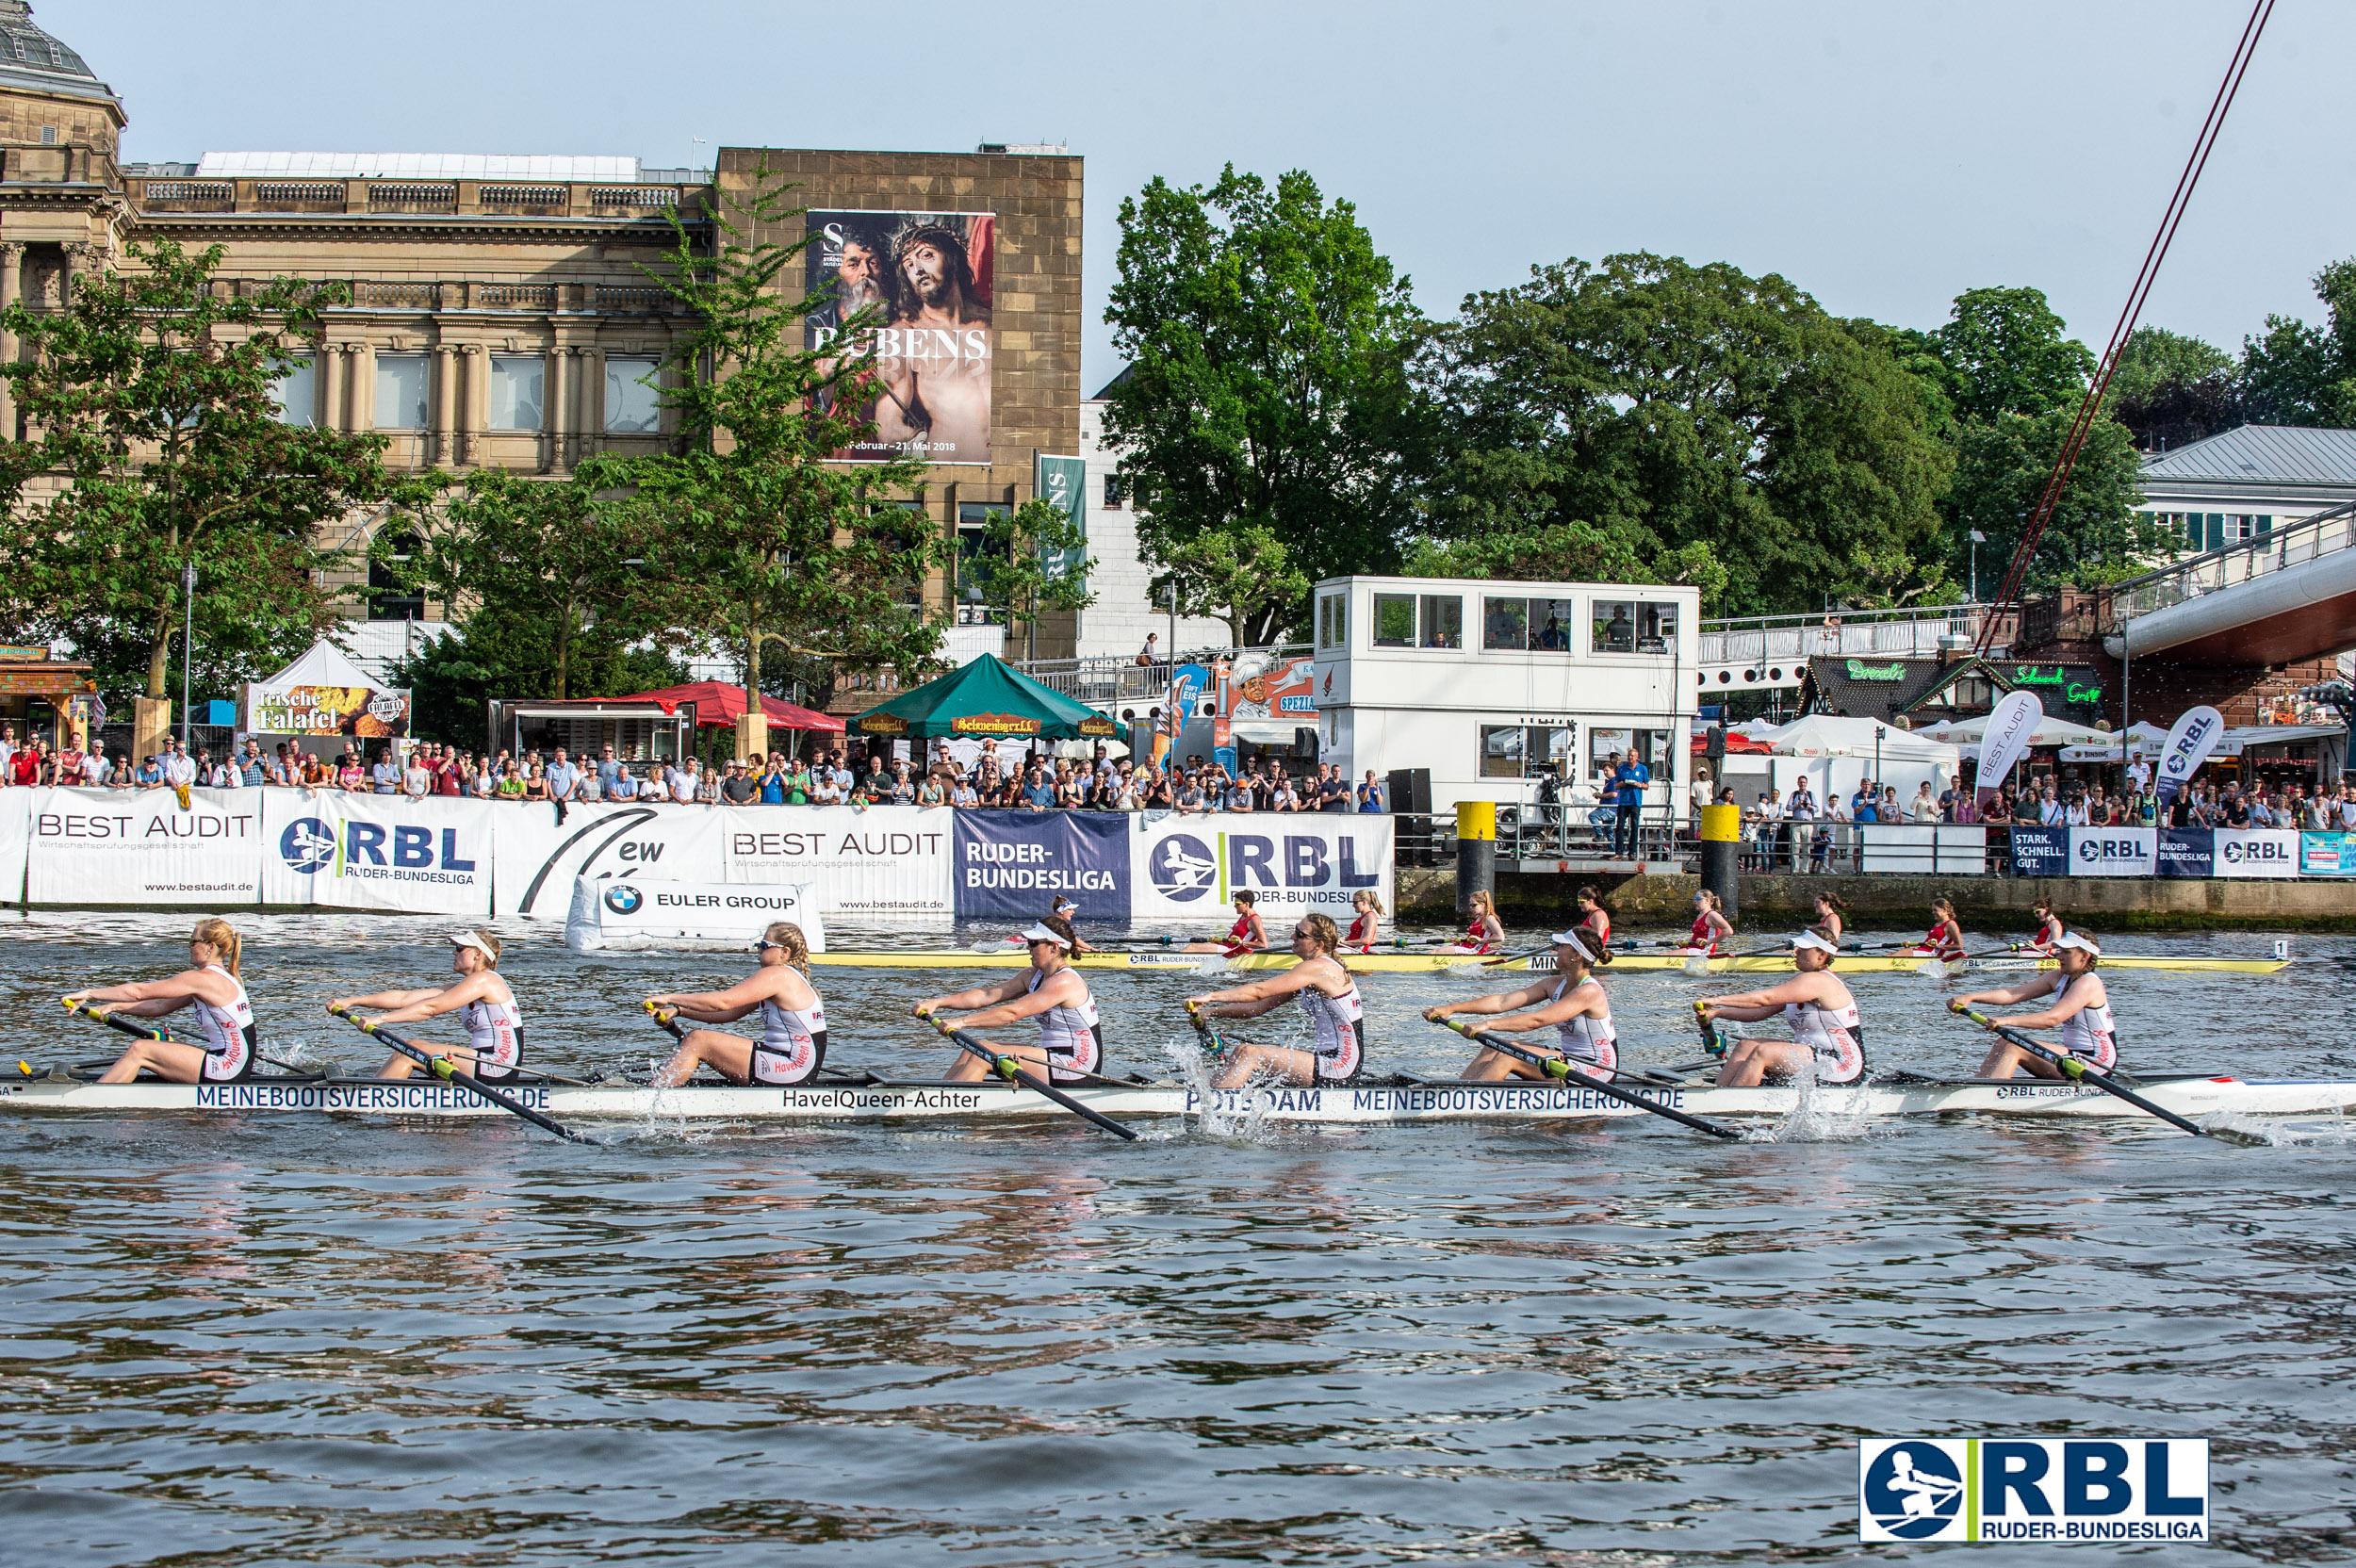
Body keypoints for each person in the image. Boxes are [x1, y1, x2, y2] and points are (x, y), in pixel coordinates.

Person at [69, 917, 260, 1085]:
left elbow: (138, 992)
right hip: (233, 1066)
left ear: (210, 947)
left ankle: (94, 1098)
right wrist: (114, 1006)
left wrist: (89, 993)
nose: (189, 946)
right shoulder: (221, 977)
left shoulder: (202, 978)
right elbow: (160, 1005)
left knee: (140, 1049)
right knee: (149, 1049)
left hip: (227, 1067)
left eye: (193, 941)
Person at [1187, 912, 1367, 1087]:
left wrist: (1211, 997)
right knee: (1242, 1055)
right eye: (1295, 930)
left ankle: (1210, 1106)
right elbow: (1258, 1007)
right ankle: (1210, 1097)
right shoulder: (1313, 971)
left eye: (1300, 934)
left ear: (1318, 944)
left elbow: (1259, 991)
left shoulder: (1319, 968)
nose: (1292, 936)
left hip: (1340, 1066)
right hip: (1327, 1060)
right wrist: (1210, 1013)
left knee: (1249, 1054)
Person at [916, 917, 1104, 1085]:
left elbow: (1012, 1013)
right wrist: (937, 1003)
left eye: (1033, 943)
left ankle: (946, 1106)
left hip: (1077, 1066)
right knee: (975, 1049)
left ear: (1054, 947)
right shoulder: (1032, 976)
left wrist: (961, 1022)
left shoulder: (1065, 981)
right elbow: (987, 995)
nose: (1028, 948)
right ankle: (940, 1094)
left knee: (982, 1057)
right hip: (1054, 1057)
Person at [646, 922, 829, 1086]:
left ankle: (653, 1096)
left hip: (791, 1068)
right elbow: (727, 1013)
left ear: (784, 952)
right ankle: (661, 1089)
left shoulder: (778, 975)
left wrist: (669, 998)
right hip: (792, 1067)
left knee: (698, 1040)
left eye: (764, 946)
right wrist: (678, 1011)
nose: (759, 950)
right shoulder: (786, 978)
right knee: (698, 1039)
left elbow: (723, 1002)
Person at [332, 930, 525, 1084]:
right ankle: (374, 1087)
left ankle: (367, 1102)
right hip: (483, 1062)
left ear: (478, 954)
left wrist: (380, 1020)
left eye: (460, 947)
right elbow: (404, 998)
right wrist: (351, 1001)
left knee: (409, 1051)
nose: (454, 952)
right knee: (412, 1044)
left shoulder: (485, 980)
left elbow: (430, 1008)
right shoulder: (468, 985)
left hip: (498, 1065)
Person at [1426, 927, 1614, 1082]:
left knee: (1509, 1054)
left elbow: (1536, 1020)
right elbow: (1502, 1001)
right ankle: (1460, 1091)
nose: (1555, 950)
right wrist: (1451, 1008)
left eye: (1561, 946)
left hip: (1596, 1068)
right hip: (1569, 1058)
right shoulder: (1553, 984)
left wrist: (1487, 1025)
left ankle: (1467, 1102)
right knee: (1495, 1047)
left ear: (1576, 956)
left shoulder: (1589, 992)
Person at [1698, 930, 1866, 1087]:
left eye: (1804, 949)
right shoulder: (1802, 982)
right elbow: (1759, 1011)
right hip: (1815, 1056)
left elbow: (1764, 999)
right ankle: (1718, 1093)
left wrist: (1718, 999)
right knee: (1746, 1046)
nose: (1796, 952)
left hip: (1842, 1065)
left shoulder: (1819, 981)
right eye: (1798, 948)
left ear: (1822, 955)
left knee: (1764, 1052)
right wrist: (1717, 1013)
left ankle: (1732, 1103)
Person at [1951, 931, 2117, 1078]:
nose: (2059, 956)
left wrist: (2006, 1021)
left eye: (2067, 952)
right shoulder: (2058, 977)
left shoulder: (2088, 983)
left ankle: (1985, 1096)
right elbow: (2013, 994)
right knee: (2003, 1042)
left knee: (2013, 1046)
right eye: (2059, 951)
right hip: (2073, 1057)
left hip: (2096, 1063)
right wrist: (1970, 997)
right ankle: (1980, 1083)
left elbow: (2051, 1019)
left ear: (2084, 956)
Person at [1185, 890, 1268, 956]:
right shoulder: (1243, 916)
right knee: (1191, 947)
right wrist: (1218, 941)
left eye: (1237, 904)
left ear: (1246, 904)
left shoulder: (1254, 919)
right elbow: (1234, 939)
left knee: (1191, 948)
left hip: (1235, 951)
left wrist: (1242, 943)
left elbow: (1264, 944)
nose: (1235, 906)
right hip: (1228, 947)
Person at [1611, 747, 1650, 858]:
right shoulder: (1622, 769)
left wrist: (1639, 785)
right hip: (1623, 801)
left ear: (1637, 757)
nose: (1630, 758)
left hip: (1635, 801)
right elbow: (1616, 785)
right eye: (1629, 755)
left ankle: (1632, 852)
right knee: (1620, 826)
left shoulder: (1642, 769)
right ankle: (1619, 852)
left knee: (1634, 826)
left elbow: (1647, 786)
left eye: (1632, 756)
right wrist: (1623, 784)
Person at [1909, 897, 1967, 962]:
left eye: (1935, 910)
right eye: (1932, 910)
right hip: (1923, 951)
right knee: (1903, 951)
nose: (1933, 912)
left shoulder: (1951, 924)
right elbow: (1927, 943)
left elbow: (1959, 946)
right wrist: (1908, 945)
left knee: (1903, 953)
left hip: (1932, 954)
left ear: (1944, 910)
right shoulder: (1937, 924)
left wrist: (1939, 946)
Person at [1450, 888, 1505, 955]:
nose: (1471, 907)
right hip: (1468, 947)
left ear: (1482, 905)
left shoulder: (1489, 918)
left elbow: (1501, 937)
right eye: (1470, 905)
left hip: (1475, 950)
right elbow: (1474, 938)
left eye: (1474, 905)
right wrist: (1460, 941)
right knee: (1437, 950)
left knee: (1436, 952)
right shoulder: (1477, 917)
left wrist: (1481, 940)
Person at [1684, 889, 1733, 956]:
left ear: (1707, 901)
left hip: (1703, 951)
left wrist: (1709, 941)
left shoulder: (1712, 915)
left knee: (1665, 956)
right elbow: (1696, 937)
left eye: (1698, 899)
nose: (1695, 902)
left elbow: (1728, 931)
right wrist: (1684, 943)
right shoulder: (1699, 916)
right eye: (1695, 899)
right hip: (1693, 949)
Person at [1572, 884, 1612, 956]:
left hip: (1594, 954)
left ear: (1590, 901)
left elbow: (1598, 940)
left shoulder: (1599, 915)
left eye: (1581, 902)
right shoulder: (1592, 915)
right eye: (1578, 901)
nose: (1579, 904)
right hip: (1586, 952)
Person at [1344, 889, 1384, 954]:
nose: (1353, 905)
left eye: (1355, 902)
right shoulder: (1365, 917)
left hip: (1356, 950)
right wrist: (1344, 939)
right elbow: (1373, 939)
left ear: (1364, 902)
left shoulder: (1370, 917)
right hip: (1351, 948)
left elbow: (1366, 940)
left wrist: (1345, 943)